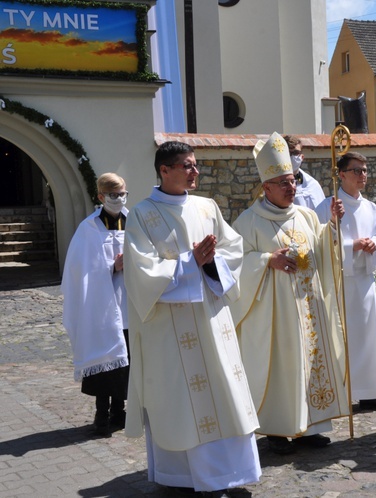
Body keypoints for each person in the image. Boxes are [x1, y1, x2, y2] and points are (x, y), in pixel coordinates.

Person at [123, 142, 261, 497]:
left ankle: (229, 473)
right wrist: (189, 262)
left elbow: (233, 251)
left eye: (195, 165)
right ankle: (182, 477)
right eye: (187, 166)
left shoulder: (207, 207)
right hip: (170, 331)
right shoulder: (142, 214)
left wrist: (210, 263)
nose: (195, 171)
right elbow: (141, 272)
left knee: (224, 391)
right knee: (181, 399)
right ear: (164, 170)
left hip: (212, 321)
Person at [231, 132, 350, 455]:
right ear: (266, 187)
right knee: (282, 368)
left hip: (309, 309)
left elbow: (323, 249)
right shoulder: (248, 222)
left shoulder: (307, 215)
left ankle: (310, 426)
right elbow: (234, 264)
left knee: (310, 365)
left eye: (293, 181)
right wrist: (267, 260)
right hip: (273, 316)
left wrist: (333, 227)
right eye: (282, 182)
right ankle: (278, 430)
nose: (290, 187)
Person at [315, 151, 376, 412]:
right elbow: (318, 242)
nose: (363, 175)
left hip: (363, 280)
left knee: (367, 338)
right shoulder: (328, 206)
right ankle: (339, 393)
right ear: (341, 174)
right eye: (356, 170)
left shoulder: (370, 207)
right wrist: (351, 245)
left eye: (365, 170)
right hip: (338, 282)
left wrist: (375, 244)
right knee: (340, 339)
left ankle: (369, 392)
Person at [62, 173, 130, 438]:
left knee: (126, 361)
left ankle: (119, 411)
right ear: (101, 196)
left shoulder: (133, 222)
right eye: (113, 195)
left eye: (123, 194)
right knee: (105, 356)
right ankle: (101, 415)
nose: (119, 199)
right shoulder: (89, 228)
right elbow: (79, 269)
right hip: (101, 305)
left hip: (128, 303)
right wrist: (113, 266)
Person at [285, 134, 326, 210]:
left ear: (302, 157)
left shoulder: (313, 184)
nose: (291, 157)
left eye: (295, 153)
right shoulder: (275, 186)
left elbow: (322, 214)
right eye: (288, 153)